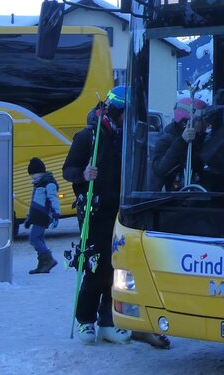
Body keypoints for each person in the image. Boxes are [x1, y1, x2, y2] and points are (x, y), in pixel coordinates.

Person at [64, 86, 170, 349]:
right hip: (96, 211)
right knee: (95, 266)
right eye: (127, 113)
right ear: (116, 110)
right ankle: (85, 318)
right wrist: (83, 174)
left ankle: (109, 320)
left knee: (118, 267)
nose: (130, 118)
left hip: (121, 211)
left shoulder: (129, 137)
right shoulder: (89, 136)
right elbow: (69, 169)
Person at [151, 96, 207, 190]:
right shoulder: (165, 141)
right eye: (199, 120)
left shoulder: (199, 140)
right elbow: (160, 169)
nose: (205, 124)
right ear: (185, 123)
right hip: (171, 199)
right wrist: (182, 142)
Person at [24, 157, 59, 274]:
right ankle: (43, 264)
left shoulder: (48, 183)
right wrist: (29, 218)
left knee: (33, 239)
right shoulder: (38, 184)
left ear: (41, 171)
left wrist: (56, 213)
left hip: (43, 216)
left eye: (33, 173)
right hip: (37, 215)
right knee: (38, 238)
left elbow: (53, 198)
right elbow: (34, 203)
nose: (32, 176)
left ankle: (49, 260)